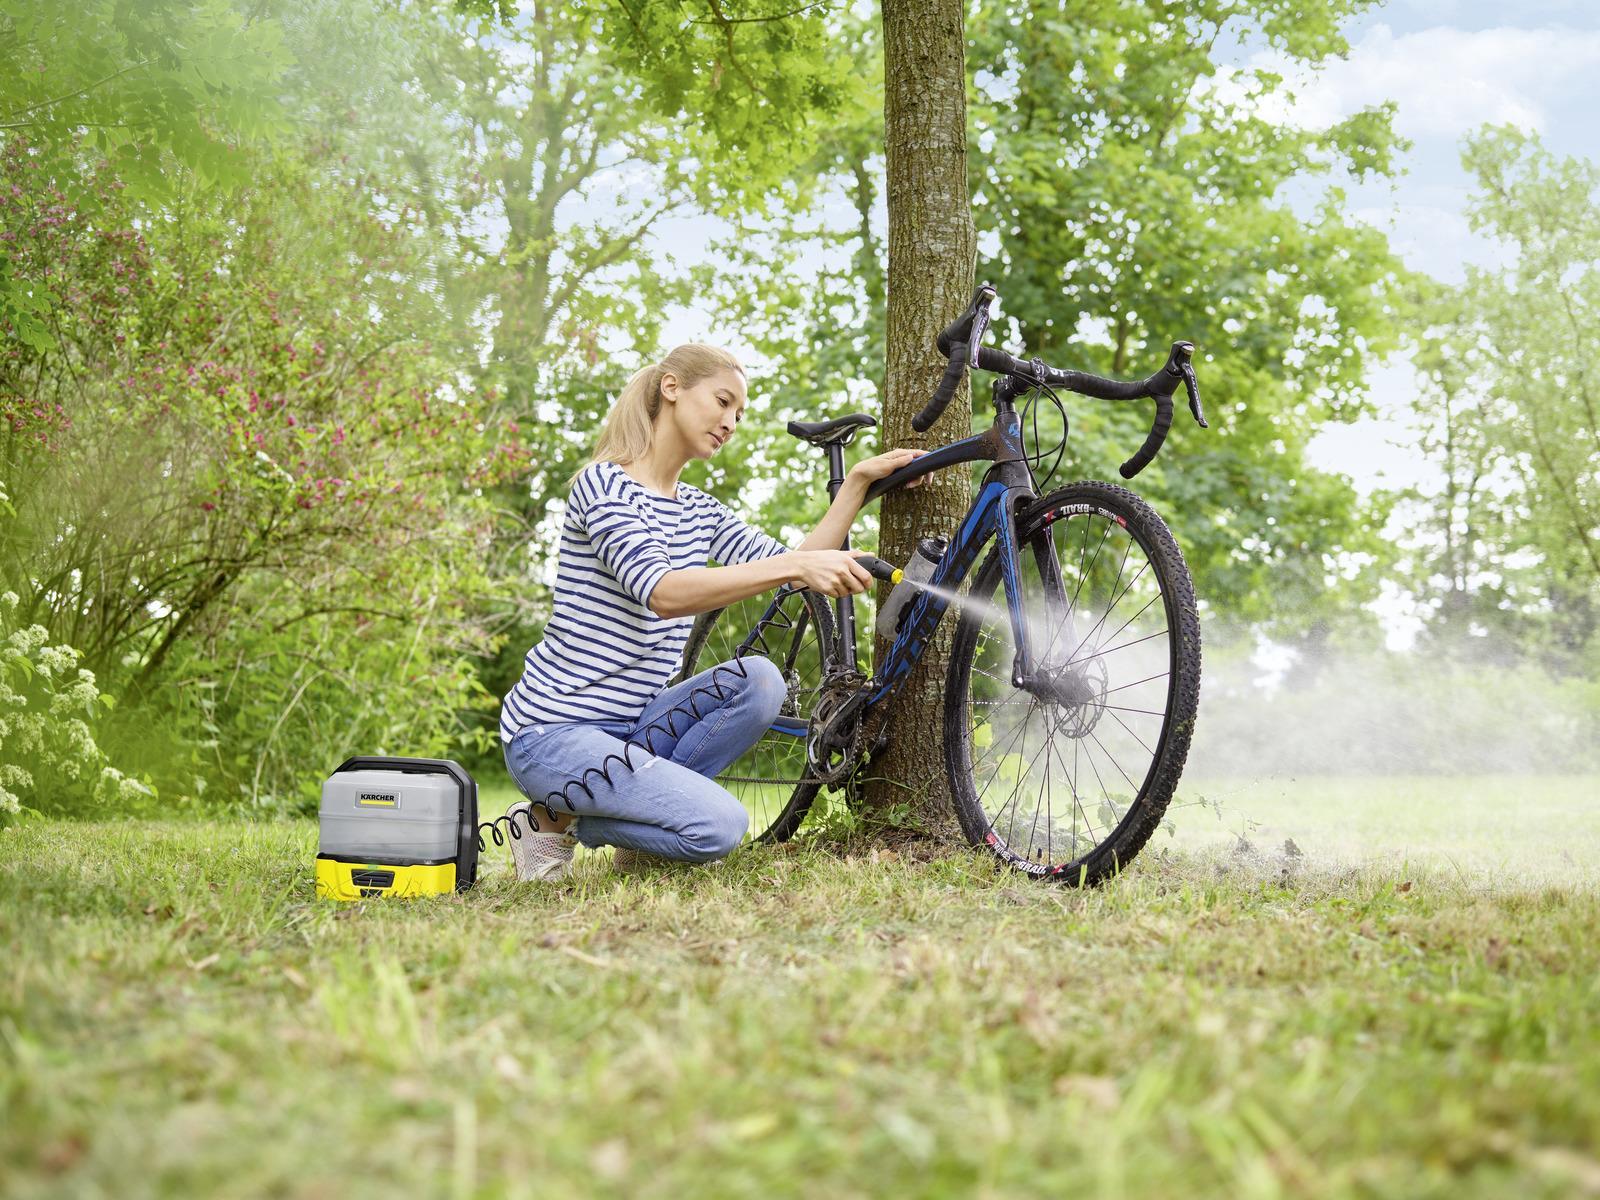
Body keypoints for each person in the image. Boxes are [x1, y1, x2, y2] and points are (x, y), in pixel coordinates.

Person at [499, 343, 927, 881]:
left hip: (636, 730)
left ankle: (632, 825)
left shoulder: (700, 510)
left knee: (761, 681)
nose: (730, 423)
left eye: (739, 415)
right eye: (722, 402)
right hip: (554, 733)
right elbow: (663, 592)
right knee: (720, 828)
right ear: (672, 388)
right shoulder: (603, 485)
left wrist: (859, 485)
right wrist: (797, 568)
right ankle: (546, 820)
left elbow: (791, 564)